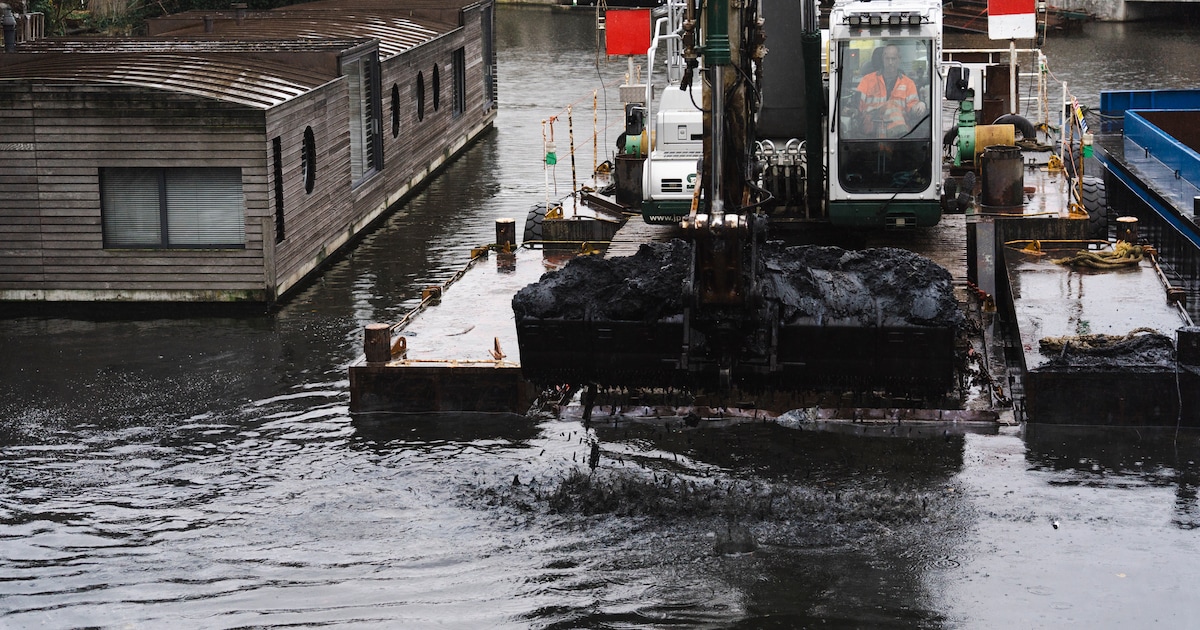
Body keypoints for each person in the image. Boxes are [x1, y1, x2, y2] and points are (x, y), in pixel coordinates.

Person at [855, 44, 928, 138]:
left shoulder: (908, 84)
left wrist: (919, 106)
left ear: (899, 59)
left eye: (893, 59)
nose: (890, 62)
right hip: (871, 133)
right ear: (882, 59)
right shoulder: (867, 81)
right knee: (890, 105)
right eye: (887, 59)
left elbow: (912, 110)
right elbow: (856, 107)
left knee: (892, 105)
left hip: (900, 137)